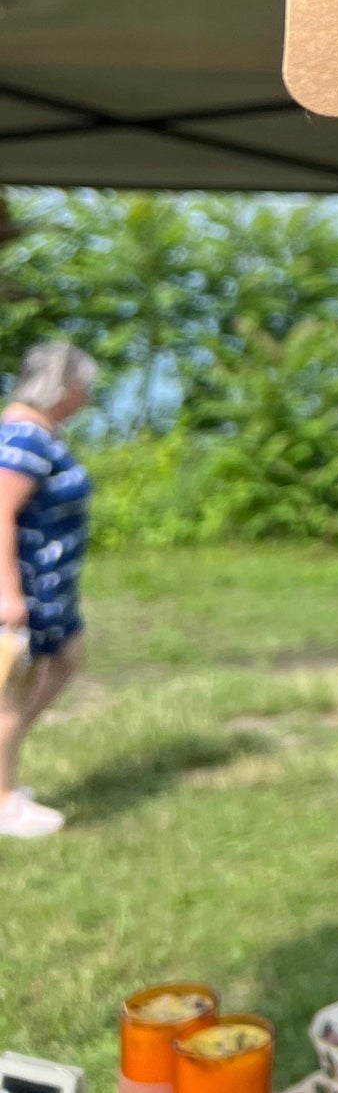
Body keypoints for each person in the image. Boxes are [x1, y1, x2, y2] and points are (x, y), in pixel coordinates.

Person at [0, 341, 98, 838]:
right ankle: (2, 801)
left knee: (67, 658)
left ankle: (3, 767)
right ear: (63, 387)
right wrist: (8, 594)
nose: (87, 397)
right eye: (84, 386)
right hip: (25, 591)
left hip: (52, 588)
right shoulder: (24, 440)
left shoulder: (38, 434)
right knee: (9, 693)